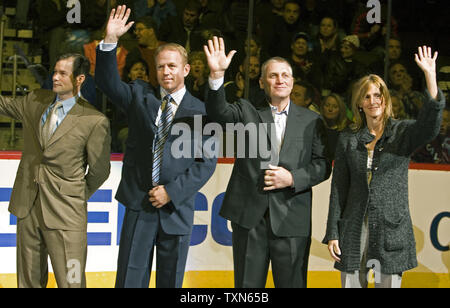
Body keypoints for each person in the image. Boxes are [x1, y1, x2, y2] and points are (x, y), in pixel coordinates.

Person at [95, 5, 217, 288]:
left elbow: (206, 164)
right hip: (139, 206)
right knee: (129, 280)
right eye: (160, 66)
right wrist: (110, 41)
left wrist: (171, 192)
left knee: (170, 281)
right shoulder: (139, 96)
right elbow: (106, 81)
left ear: (185, 69)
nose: (165, 72)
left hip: (176, 208)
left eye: (172, 66)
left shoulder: (202, 111)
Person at [204, 36, 331, 288]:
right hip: (250, 220)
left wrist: (293, 178)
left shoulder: (312, 121)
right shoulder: (245, 111)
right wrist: (217, 76)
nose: (280, 79)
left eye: (285, 75)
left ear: (292, 82)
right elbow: (218, 113)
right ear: (262, 82)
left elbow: (323, 165)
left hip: (292, 220)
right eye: (273, 75)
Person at [323, 46, 446, 288]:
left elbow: (431, 126)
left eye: (378, 95)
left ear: (386, 99)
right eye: (366, 96)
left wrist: (430, 77)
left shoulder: (402, 132)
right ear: (359, 102)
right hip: (353, 229)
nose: (373, 101)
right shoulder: (348, 137)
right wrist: (333, 233)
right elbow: (339, 187)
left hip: (390, 230)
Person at [0, 53, 111, 288]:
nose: (55, 77)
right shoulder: (35, 100)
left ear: (79, 78)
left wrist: (74, 195)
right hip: (27, 205)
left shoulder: (93, 119)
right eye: (55, 72)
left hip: (66, 214)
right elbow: (4, 105)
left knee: (71, 282)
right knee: (27, 282)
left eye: (63, 73)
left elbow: (100, 171)